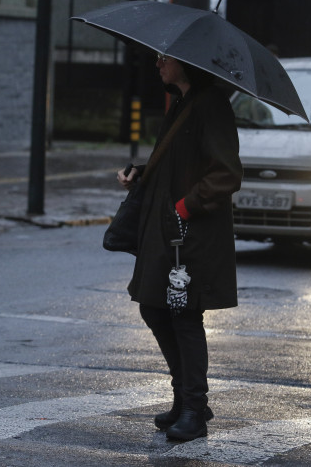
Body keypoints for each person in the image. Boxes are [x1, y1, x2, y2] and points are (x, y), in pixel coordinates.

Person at [116, 53, 242, 442]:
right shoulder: (183, 103)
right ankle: (184, 398)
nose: (157, 63)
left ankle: (194, 409)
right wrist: (141, 172)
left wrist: (184, 207)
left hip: (191, 234)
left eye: (164, 58)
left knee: (184, 315)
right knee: (154, 307)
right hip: (167, 230)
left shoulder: (212, 105)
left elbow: (226, 174)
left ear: (187, 63)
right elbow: (176, 160)